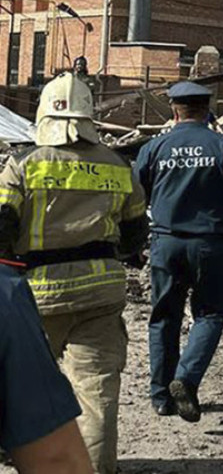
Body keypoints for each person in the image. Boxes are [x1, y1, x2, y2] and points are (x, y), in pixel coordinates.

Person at [0, 73, 149, 474]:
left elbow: (2, 226)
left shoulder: (23, 163)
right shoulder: (119, 165)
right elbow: (136, 233)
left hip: (35, 297)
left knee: (22, 388)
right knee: (97, 394)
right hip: (99, 293)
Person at [134, 81, 223, 423]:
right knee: (209, 315)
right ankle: (187, 379)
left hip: (166, 244)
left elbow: (134, 197)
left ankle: (162, 397)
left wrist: (133, 242)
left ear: (175, 109)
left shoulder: (155, 147)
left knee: (164, 317)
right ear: (207, 110)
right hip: (210, 245)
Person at [0, 260, 93, 474]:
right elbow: (56, 462)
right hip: (93, 284)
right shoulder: (4, 294)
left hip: (41, 283)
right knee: (95, 378)